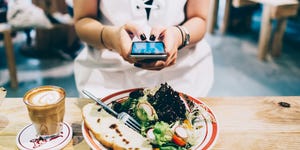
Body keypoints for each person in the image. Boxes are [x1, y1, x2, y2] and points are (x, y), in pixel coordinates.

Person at [73, 0, 214, 98]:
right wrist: (111, 37)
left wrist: (179, 36)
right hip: (107, 79)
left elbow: (199, 18)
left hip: (183, 78)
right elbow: (83, 20)